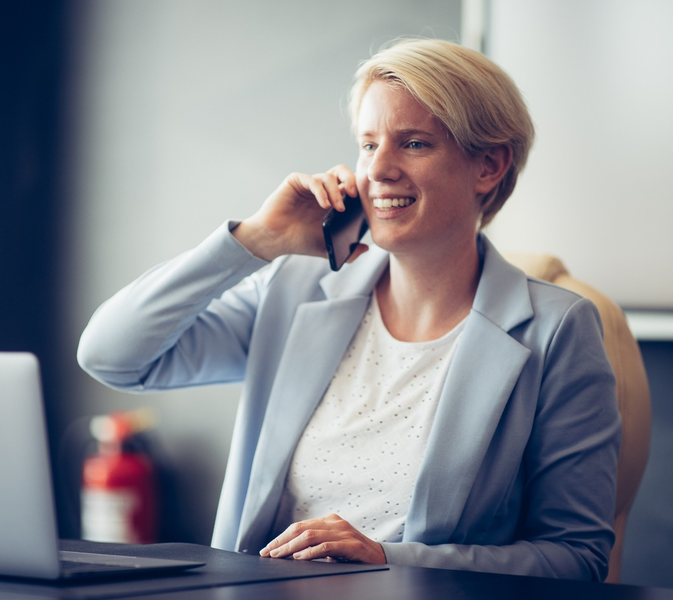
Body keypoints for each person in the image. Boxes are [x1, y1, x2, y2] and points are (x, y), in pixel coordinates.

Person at [77, 38, 621, 581]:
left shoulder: (557, 330)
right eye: (367, 145)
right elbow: (112, 356)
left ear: (489, 166)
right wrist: (255, 241)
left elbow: (576, 557)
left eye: (412, 144)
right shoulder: (297, 287)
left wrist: (390, 558)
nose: (377, 170)